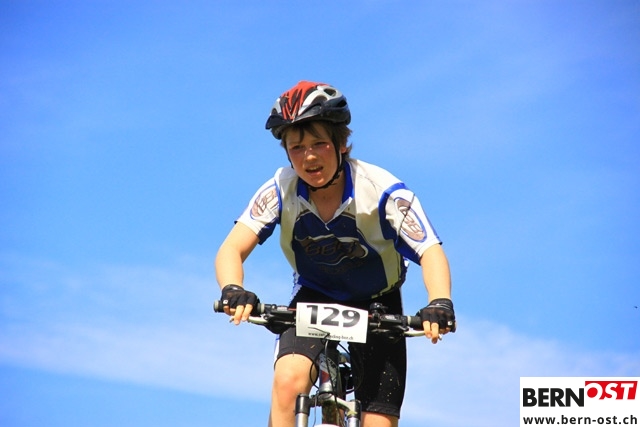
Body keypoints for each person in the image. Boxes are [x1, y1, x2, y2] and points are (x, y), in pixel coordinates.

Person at [215, 80, 456, 427]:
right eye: (297, 147)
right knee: (287, 384)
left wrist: (440, 301)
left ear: (342, 144)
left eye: (319, 144)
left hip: (378, 302)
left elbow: (430, 250)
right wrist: (233, 288)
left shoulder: (383, 191)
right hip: (315, 297)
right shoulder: (281, 188)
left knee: (378, 422)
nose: (309, 156)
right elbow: (231, 249)